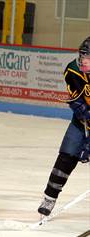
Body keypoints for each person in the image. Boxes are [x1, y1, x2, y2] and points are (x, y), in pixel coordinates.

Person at [37, 37, 90, 216]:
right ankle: (49, 198)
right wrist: (83, 111)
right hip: (81, 120)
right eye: (83, 56)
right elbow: (75, 99)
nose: (83, 61)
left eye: (88, 57)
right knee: (66, 156)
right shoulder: (73, 69)